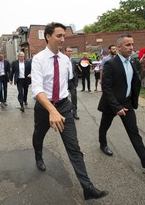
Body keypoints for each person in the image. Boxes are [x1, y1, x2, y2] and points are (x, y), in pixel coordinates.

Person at [31, 22, 108, 200]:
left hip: (64, 107)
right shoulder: (38, 59)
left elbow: (68, 82)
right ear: (48, 37)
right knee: (38, 135)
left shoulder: (66, 60)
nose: (63, 39)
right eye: (59, 36)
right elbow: (37, 89)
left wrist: (67, 105)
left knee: (73, 147)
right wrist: (51, 109)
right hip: (44, 107)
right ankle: (38, 155)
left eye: (64, 36)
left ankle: (87, 187)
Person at [97, 34, 145, 169]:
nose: (131, 47)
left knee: (133, 131)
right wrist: (116, 106)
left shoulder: (131, 62)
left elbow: (133, 82)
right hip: (112, 104)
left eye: (132, 44)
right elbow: (106, 88)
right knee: (104, 126)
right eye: (127, 45)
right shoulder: (111, 64)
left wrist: (132, 99)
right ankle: (103, 144)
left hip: (127, 103)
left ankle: (144, 159)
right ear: (118, 47)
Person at [65, 47, 79, 120]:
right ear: (65, 52)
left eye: (71, 51)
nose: (70, 52)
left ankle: (74, 112)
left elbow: (75, 72)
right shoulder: (62, 60)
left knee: (74, 97)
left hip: (72, 82)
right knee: (64, 97)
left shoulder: (73, 61)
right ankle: (65, 112)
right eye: (68, 51)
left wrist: (76, 81)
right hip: (64, 82)